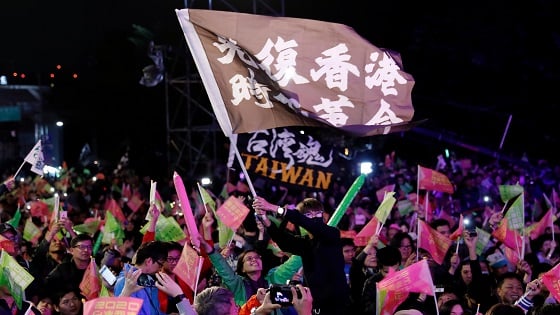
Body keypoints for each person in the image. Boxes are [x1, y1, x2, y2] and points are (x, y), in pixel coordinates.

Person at [253, 196, 350, 315]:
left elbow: (312, 225)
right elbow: (284, 241)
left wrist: (273, 208)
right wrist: (264, 218)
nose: (314, 217)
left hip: (338, 306)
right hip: (315, 306)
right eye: (309, 214)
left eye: (318, 213)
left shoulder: (332, 234)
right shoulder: (306, 243)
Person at [113, 240, 168, 315]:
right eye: (160, 265)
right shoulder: (124, 282)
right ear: (149, 261)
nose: (160, 269)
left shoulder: (148, 280)